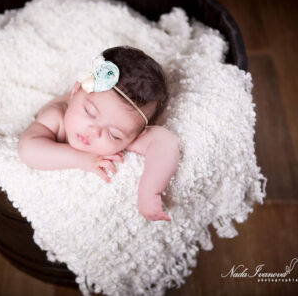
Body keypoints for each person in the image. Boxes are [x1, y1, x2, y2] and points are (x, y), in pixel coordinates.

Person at [18, 46, 179, 222]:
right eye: (89, 112)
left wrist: (149, 193)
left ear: (138, 134)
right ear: (75, 91)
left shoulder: (127, 128)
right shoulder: (56, 117)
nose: (94, 131)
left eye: (113, 134)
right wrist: (82, 159)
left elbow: (166, 142)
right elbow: (28, 149)